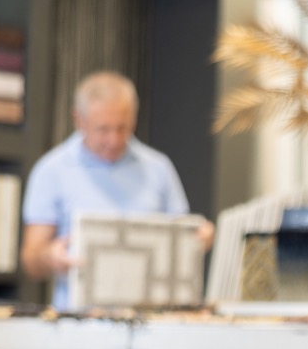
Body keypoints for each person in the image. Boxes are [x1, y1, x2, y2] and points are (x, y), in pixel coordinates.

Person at [20, 70, 213, 308]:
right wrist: (50, 257)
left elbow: (183, 236)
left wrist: (199, 238)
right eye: (103, 129)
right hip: (79, 325)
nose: (113, 140)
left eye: (122, 128)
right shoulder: (51, 170)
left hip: (153, 320)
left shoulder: (158, 168)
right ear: (78, 119)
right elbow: (31, 260)